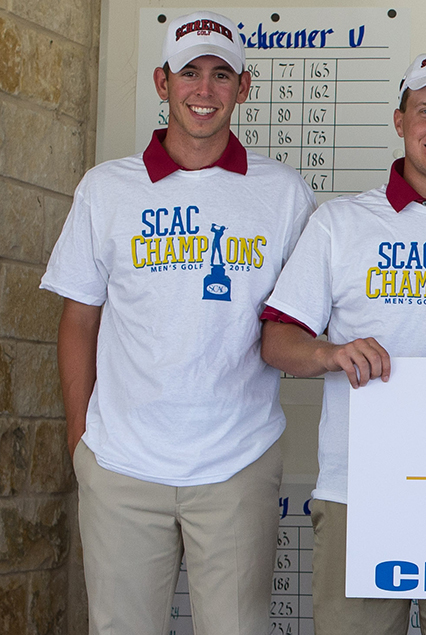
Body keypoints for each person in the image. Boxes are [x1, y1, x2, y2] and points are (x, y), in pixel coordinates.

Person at [41, 11, 315, 634]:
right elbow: (79, 319)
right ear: (162, 82)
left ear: (244, 89)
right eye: (189, 72)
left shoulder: (284, 193)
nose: (205, 89)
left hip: (238, 460)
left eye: (222, 75)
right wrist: (83, 442)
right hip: (121, 463)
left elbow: (298, 320)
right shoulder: (106, 188)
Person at [259, 50, 426, 635]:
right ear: (400, 120)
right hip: (361, 487)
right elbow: (277, 340)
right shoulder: (340, 222)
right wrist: (330, 353)